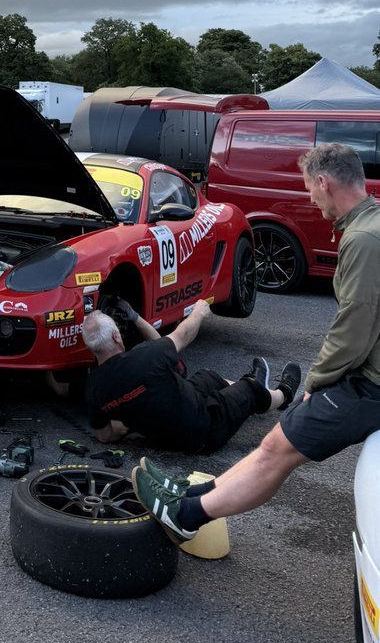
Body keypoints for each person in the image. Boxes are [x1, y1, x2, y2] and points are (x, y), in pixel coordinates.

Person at [133, 142, 380, 544]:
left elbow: (355, 324)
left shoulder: (365, 239)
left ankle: (185, 515)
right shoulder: (372, 222)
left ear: (323, 181)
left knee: (276, 451)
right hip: (367, 373)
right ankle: (193, 496)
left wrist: (316, 383)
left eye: (309, 188)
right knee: (274, 444)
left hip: (371, 384)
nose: (310, 197)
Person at [83, 299, 300, 454]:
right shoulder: (145, 357)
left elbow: (104, 436)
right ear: (115, 335)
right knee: (249, 391)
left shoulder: (94, 387)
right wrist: (199, 311)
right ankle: (283, 394)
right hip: (204, 431)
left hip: (166, 432)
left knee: (208, 377)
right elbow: (182, 335)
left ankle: (259, 390)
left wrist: (126, 426)